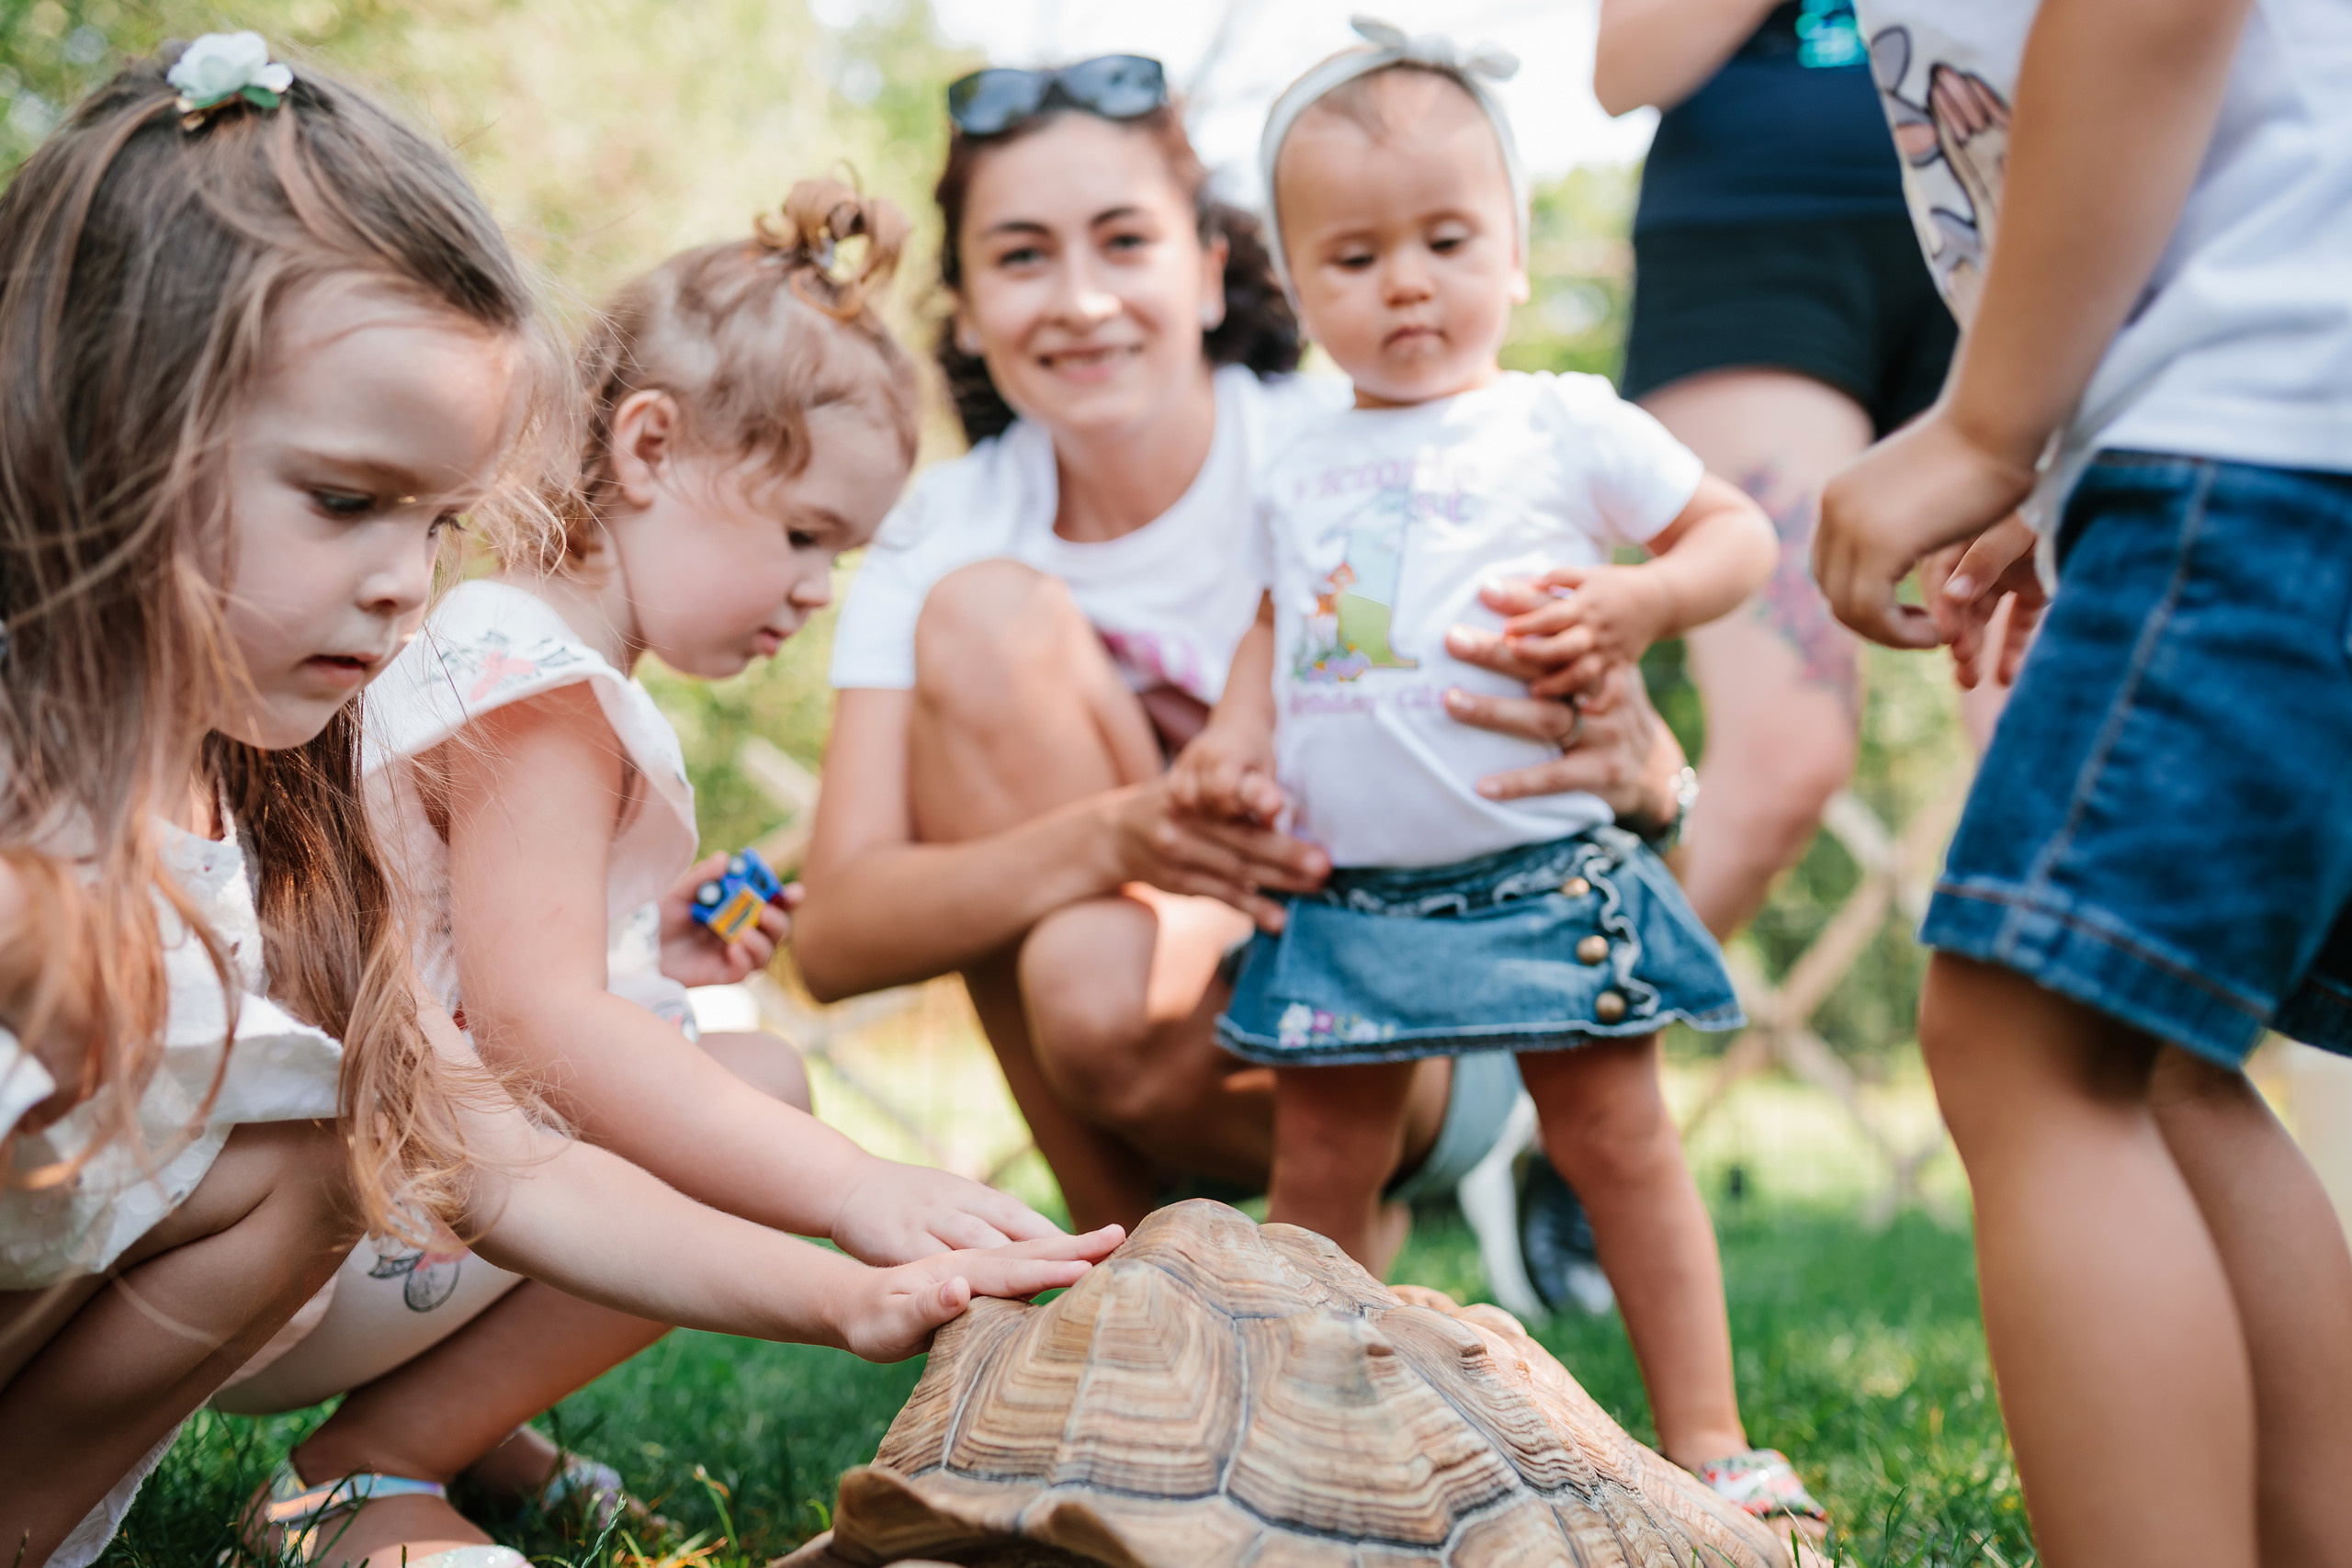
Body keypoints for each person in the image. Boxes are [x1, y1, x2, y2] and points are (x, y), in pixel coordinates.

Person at [0, 45, 1117, 1568]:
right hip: (186, 1256)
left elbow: (467, 1123)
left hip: (186, 1254)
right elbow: (536, 1033)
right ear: (109, 428)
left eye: (438, 521)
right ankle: (373, 1472)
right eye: (347, 501)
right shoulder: (515, 693)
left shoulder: (292, 776)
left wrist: (848, 1280)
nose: (405, 581)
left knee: (334, 1139)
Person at [203, 178, 1071, 1541]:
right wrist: (857, 1187)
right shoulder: (545, 693)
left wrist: (645, 952)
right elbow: (542, 1029)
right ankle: (368, 1466)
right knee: (757, 1081)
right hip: (336, 1229)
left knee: (700, 1051)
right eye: (801, 534)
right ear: (649, 446)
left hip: (326, 1199)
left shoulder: (497, 637)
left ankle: (467, 1426)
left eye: (840, 557)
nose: (814, 591)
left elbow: (455, 956)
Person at [795, 52, 1698, 1256]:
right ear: (963, 305)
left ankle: (1296, 1233)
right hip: (1130, 987)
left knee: (1095, 966)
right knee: (990, 648)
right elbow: (835, 936)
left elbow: (1640, 762)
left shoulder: (1361, 449)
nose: (1081, 300)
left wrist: (1653, 777)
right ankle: (1134, 1273)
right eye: (1020, 256)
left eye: (1125, 241)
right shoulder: (939, 532)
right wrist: (1120, 835)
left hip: (1418, 978)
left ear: (1210, 270)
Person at [1169, 32, 1822, 1531]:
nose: (1407, 283)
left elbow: (1735, 536)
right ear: (1299, 285)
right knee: (1321, 1159)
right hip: (1352, 889)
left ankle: (1714, 1438)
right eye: (1356, 257)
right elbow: (1274, 619)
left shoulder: (1562, 419)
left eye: (1447, 241)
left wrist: (1643, 601)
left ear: (1516, 253)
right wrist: (1231, 733)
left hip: (1542, 870)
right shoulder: (1294, 459)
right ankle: (1302, 1445)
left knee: (1618, 1141)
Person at [1815, 1, 2352, 1563]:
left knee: (2029, 1032)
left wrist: (1990, 422)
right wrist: (2063, 474)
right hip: (2251, 433)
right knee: (2150, 1045)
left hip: (2259, 432)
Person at [1594, 0, 1957, 938]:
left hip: (2019, 218)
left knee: (2060, 742)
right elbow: (1620, 71)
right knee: (1785, 755)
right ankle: (1565, 1024)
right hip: (1754, 236)